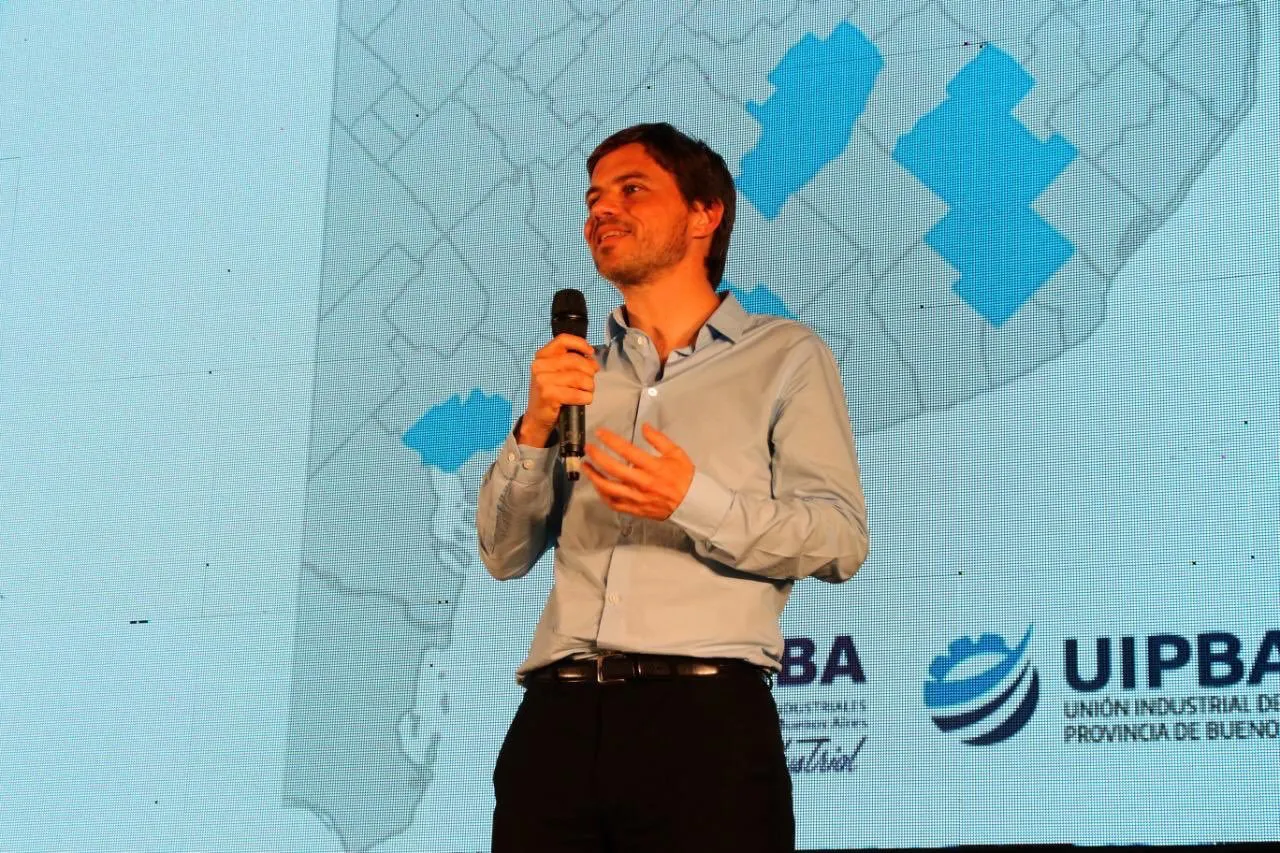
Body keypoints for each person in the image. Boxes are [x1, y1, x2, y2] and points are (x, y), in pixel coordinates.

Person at [476, 122, 869, 852]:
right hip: (555, 725)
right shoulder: (575, 373)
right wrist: (533, 427)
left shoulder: (784, 356)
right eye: (593, 198)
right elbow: (503, 554)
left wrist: (691, 500)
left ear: (703, 214)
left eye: (632, 190)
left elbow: (839, 540)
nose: (602, 210)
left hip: (704, 726)